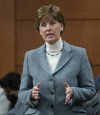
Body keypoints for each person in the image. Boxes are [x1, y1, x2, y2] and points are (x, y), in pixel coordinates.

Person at [18, 4, 96, 115]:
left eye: (53, 23)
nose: (48, 28)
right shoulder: (30, 56)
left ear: (62, 26)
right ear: (39, 30)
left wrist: (74, 92)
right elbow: (22, 93)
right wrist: (31, 94)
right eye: (43, 25)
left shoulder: (80, 54)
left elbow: (90, 90)